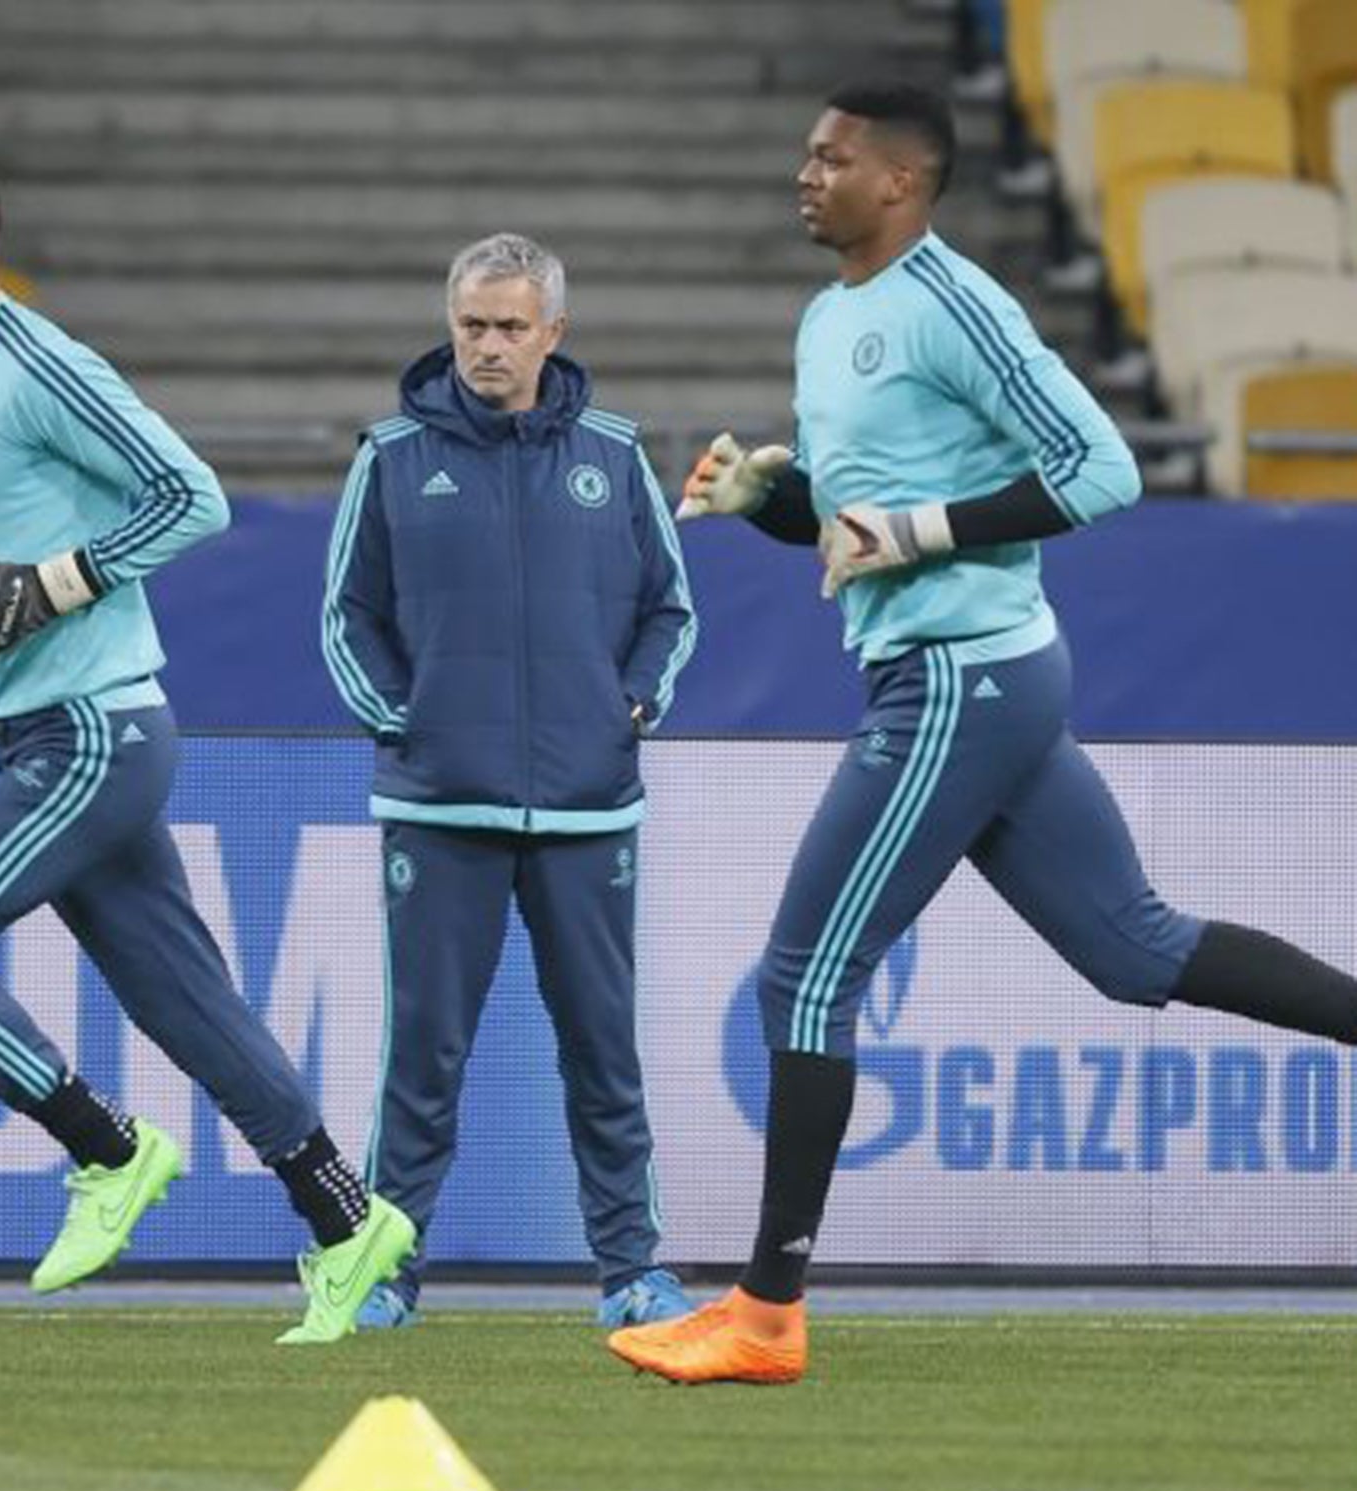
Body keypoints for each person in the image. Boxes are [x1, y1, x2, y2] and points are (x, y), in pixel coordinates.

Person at [609, 82, 1357, 1385]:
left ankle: (766, 1316)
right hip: (959, 675)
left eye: (832, 158)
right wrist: (770, 503)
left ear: (901, 182)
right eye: (807, 153)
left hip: (963, 677)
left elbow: (1100, 469)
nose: (806, 173)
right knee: (1139, 949)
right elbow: (860, 526)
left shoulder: (955, 305)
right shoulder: (833, 314)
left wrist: (918, 533)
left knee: (804, 978)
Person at [0, 126, 413, 1342]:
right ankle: (343, 1218)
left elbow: (189, 496)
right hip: (29, 739)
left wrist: (52, 584)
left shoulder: (39, 363)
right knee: (190, 1004)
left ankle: (107, 1150)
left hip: (99, 733)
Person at [322, 232, 699, 1330]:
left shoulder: (617, 456)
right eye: (471, 326)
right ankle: (383, 1272)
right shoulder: (389, 456)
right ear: (450, 326)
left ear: (552, 334)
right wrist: (407, 719)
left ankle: (630, 1271)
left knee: (601, 1048)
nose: (488, 346)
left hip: (588, 805)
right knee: (422, 1058)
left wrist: (628, 708)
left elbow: (670, 610)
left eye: (509, 327)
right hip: (439, 805)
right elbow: (347, 617)